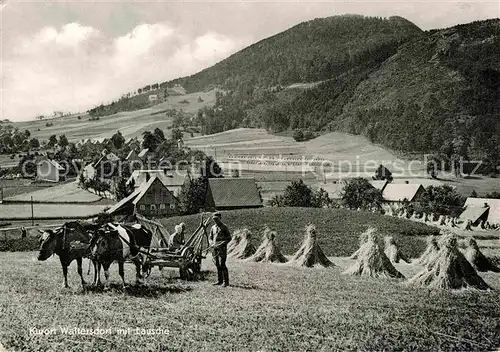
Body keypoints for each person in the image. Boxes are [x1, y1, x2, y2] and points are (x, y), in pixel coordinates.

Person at [209, 212, 231, 287]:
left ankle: (226, 282)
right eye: (214, 219)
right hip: (215, 249)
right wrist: (212, 243)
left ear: (220, 218)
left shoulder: (224, 227)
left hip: (222, 249)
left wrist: (221, 244)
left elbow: (229, 238)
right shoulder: (213, 228)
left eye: (217, 219)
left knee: (222, 264)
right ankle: (219, 280)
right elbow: (210, 238)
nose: (215, 221)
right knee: (217, 264)